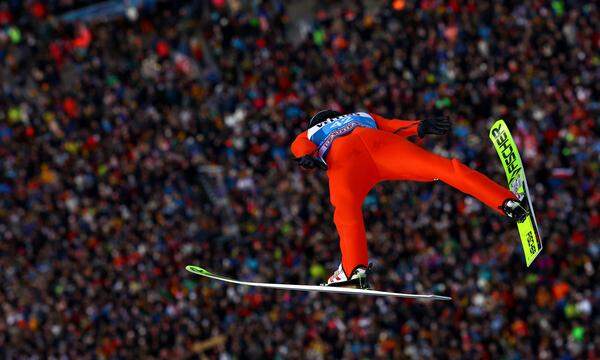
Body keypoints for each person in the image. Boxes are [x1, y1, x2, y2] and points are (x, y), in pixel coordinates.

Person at [291, 110, 528, 288]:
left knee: (346, 210)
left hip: (346, 160)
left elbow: (299, 144)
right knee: (444, 169)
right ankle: (507, 201)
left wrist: (305, 156)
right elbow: (394, 127)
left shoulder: (313, 130)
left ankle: (355, 268)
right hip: (382, 146)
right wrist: (421, 127)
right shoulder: (359, 115)